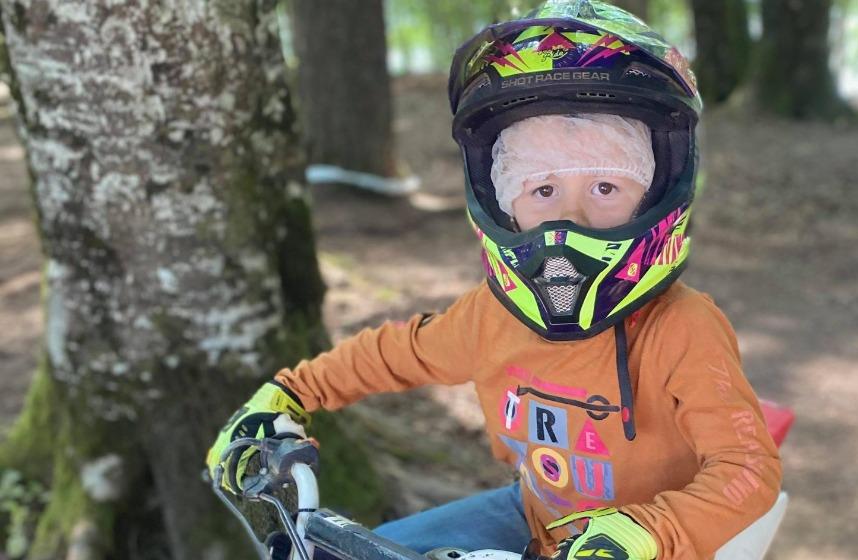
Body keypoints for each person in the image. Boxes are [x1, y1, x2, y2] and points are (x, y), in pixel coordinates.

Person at [206, 2, 781, 558]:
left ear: (658, 192)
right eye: (542, 189)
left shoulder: (681, 328)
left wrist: (649, 531)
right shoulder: (491, 316)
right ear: (502, 200)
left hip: (653, 542)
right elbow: (395, 353)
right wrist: (291, 393)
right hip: (532, 516)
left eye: (605, 186)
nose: (569, 219)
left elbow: (748, 469)